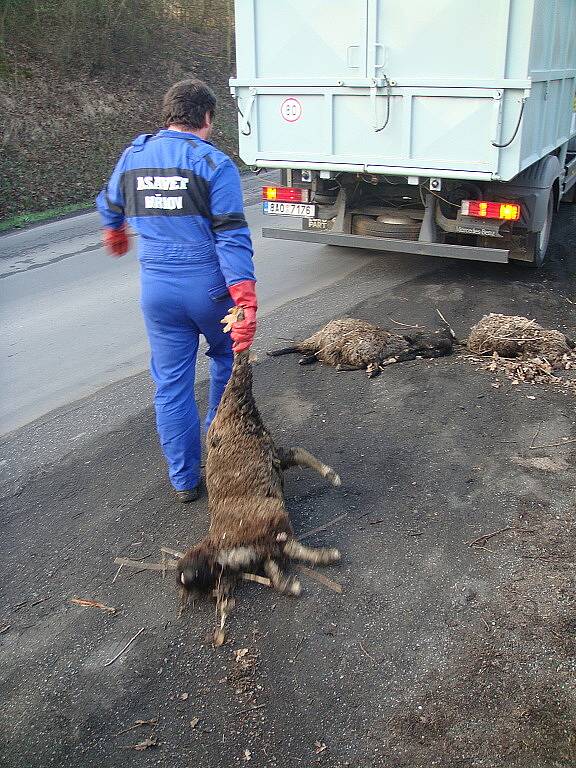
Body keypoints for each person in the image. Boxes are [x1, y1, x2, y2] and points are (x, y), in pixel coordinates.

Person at [96, 79, 257, 503]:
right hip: (209, 289)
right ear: (207, 118)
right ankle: (218, 453)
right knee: (225, 360)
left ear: (168, 115)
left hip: (157, 291)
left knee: (170, 385)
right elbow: (231, 235)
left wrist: (114, 231)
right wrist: (244, 295)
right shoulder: (214, 165)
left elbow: (109, 203)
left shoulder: (133, 156)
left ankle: (184, 480)